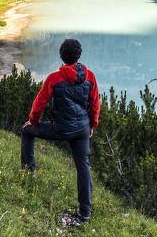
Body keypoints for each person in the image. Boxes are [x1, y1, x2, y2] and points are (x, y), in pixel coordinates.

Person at [21, 38, 100, 222]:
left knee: (26, 131)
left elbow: (39, 104)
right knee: (83, 166)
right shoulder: (90, 77)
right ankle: (85, 213)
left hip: (61, 128)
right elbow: (95, 104)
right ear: (79, 55)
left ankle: (28, 171)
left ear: (61, 56)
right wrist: (92, 126)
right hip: (82, 129)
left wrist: (33, 122)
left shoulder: (54, 78)